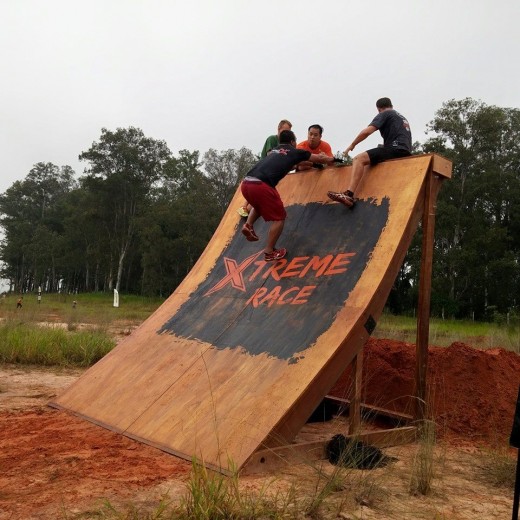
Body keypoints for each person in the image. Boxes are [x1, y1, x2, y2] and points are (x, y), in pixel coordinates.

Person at [240, 129, 334, 261]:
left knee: (258, 204)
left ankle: (248, 225)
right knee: (280, 218)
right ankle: (269, 251)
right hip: (262, 185)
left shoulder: (274, 151)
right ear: (292, 142)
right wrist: (333, 159)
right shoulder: (295, 151)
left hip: (246, 183)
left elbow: (285, 164)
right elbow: (318, 158)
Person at [327, 97, 412, 207]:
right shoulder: (400, 116)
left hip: (395, 149)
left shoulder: (385, 114)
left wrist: (352, 145)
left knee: (359, 159)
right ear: (391, 105)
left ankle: (349, 193)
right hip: (406, 151)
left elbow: (367, 132)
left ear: (378, 109)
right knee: (375, 154)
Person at [237, 119, 293, 218]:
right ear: (278, 129)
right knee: (258, 186)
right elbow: (269, 154)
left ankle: (249, 209)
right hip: (264, 170)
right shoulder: (272, 139)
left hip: (272, 172)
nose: (286, 133)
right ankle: (244, 206)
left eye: (288, 131)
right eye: (284, 130)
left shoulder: (286, 143)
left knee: (261, 193)